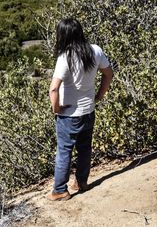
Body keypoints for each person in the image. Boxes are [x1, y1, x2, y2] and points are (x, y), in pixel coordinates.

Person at [47, 18, 113, 201]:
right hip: (88, 110)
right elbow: (109, 74)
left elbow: (53, 88)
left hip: (69, 115)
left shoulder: (65, 57)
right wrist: (99, 95)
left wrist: (57, 108)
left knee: (64, 151)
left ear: (63, 35)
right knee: (85, 148)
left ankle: (60, 190)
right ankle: (81, 182)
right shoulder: (95, 50)